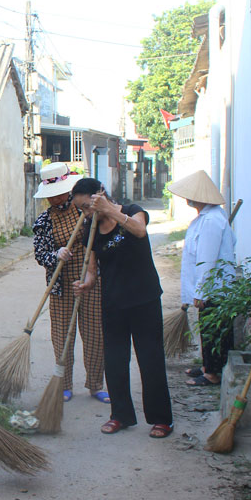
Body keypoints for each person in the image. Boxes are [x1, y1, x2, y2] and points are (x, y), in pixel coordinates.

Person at [72, 178, 174, 438]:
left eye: (86, 206)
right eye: (80, 209)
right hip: (113, 303)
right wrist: (85, 284)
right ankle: (121, 415)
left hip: (144, 299)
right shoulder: (90, 229)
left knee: (150, 359)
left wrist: (110, 210)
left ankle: (161, 419)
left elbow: (140, 231)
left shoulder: (131, 211)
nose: (84, 213)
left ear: (100, 196)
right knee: (115, 361)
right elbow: (92, 271)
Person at [32, 163, 107, 403]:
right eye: (50, 196)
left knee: (95, 333)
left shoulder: (85, 211)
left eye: (58, 194)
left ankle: (96, 385)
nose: (54, 199)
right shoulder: (44, 220)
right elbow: (40, 254)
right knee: (62, 335)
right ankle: (64, 385)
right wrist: (56, 255)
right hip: (60, 283)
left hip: (91, 279)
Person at [168, 170, 236, 386]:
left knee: (214, 330)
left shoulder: (212, 220)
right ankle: (208, 366)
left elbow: (207, 260)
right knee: (208, 329)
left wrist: (201, 292)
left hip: (215, 288)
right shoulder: (205, 218)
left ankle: (213, 373)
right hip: (210, 287)